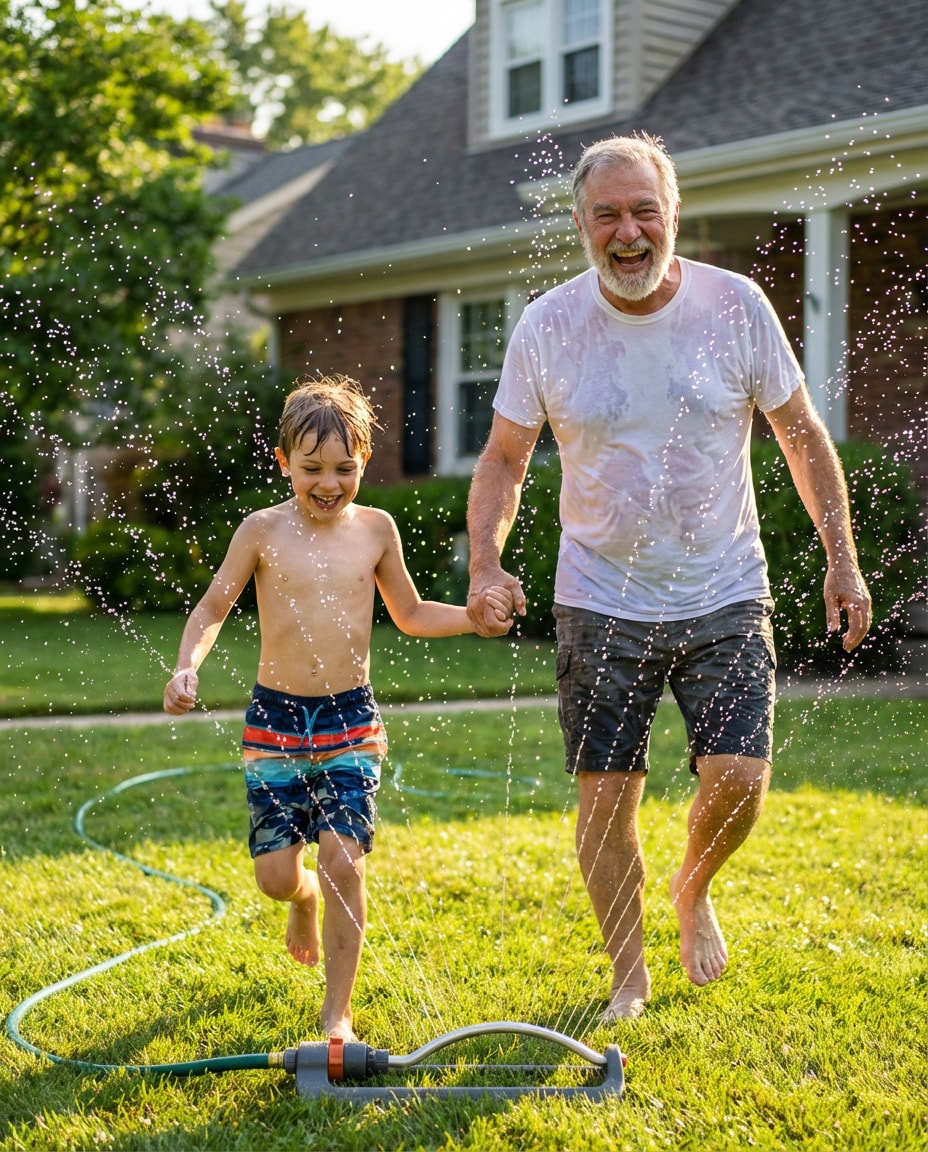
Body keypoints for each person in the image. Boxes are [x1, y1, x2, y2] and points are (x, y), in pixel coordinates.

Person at [465, 134, 872, 1023]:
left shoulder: (737, 307)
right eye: (606, 214)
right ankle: (628, 975)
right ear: (580, 224)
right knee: (606, 800)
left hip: (724, 583)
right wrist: (487, 561)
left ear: (672, 214)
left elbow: (801, 435)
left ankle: (692, 888)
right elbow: (503, 458)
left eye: (644, 210)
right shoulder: (548, 325)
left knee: (739, 778)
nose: (627, 231)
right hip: (597, 596)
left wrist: (841, 558)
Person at [164, 374, 513, 1041]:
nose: (328, 483)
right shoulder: (261, 531)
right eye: (311, 468)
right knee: (275, 876)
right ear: (283, 462)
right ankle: (301, 902)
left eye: (344, 469)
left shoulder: (376, 530)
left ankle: (337, 1016)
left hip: (351, 719)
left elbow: (408, 614)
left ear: (363, 463)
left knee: (344, 860)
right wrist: (188, 665)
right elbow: (212, 608)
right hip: (276, 722)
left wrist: (472, 617)